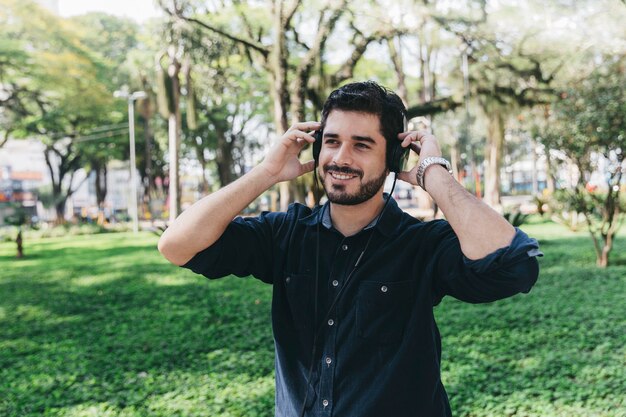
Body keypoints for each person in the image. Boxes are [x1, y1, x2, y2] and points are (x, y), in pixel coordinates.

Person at [158, 81, 541, 417]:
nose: (341, 158)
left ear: (392, 158)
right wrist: (267, 173)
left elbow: (514, 266)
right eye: (332, 142)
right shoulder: (285, 234)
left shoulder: (422, 244)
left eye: (361, 145)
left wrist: (433, 175)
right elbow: (177, 246)